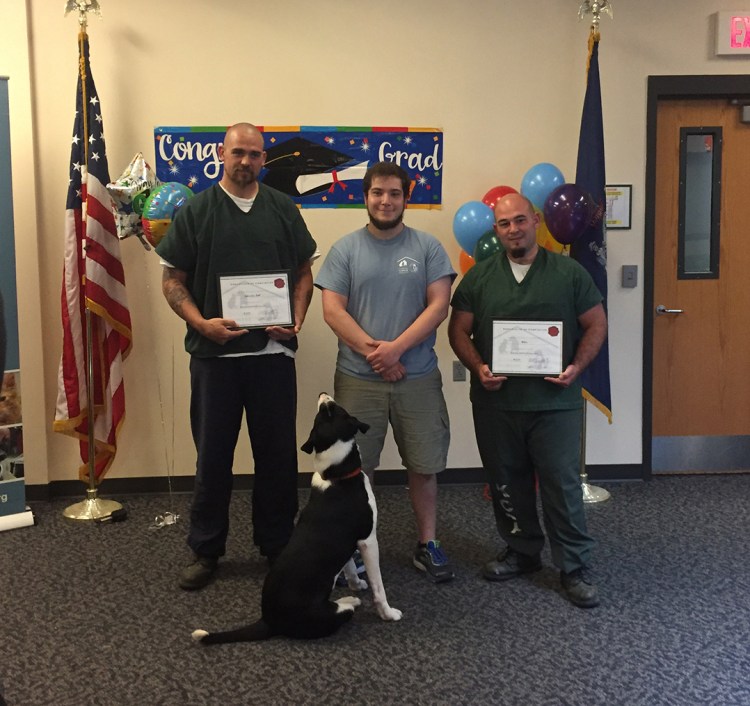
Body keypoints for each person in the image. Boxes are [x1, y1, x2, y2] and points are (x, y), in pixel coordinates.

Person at [156, 123, 317, 590]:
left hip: (271, 355)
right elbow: (172, 281)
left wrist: (298, 321)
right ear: (221, 155)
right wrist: (200, 322)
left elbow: (304, 273)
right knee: (212, 458)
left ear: (265, 160)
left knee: (277, 458)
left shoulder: (283, 209)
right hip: (213, 358)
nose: (246, 161)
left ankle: (277, 545)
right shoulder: (197, 210)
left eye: (255, 154)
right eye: (238, 153)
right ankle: (206, 549)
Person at [448, 192, 607, 608]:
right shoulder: (480, 278)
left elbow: (595, 325)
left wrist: (576, 366)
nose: (513, 229)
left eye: (520, 220)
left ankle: (573, 565)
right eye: (504, 224)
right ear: (496, 230)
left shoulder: (569, 273)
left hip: (555, 403)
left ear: (535, 220)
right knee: (505, 481)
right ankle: (522, 552)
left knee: (561, 483)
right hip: (497, 403)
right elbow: (458, 331)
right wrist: (479, 366)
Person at [315, 161, 456, 583]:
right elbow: (332, 309)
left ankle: (427, 543)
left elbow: (438, 306)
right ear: (365, 196)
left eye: (394, 193)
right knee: (359, 467)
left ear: (406, 197)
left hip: (418, 379)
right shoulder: (345, 249)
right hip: (358, 380)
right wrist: (377, 354)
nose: (386, 200)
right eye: (378, 193)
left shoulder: (428, 248)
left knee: (424, 464)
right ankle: (358, 548)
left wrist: (396, 350)